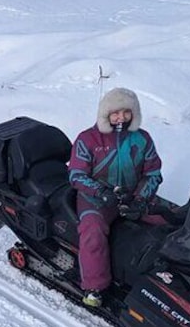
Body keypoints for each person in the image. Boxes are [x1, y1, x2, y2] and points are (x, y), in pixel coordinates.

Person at [68, 87, 163, 308]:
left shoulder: (142, 139)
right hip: (96, 199)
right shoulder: (87, 139)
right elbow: (76, 175)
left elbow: (153, 173)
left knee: (169, 220)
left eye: (126, 112)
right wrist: (100, 192)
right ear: (106, 114)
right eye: (115, 112)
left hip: (132, 197)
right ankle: (94, 286)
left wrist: (140, 200)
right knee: (93, 230)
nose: (121, 117)